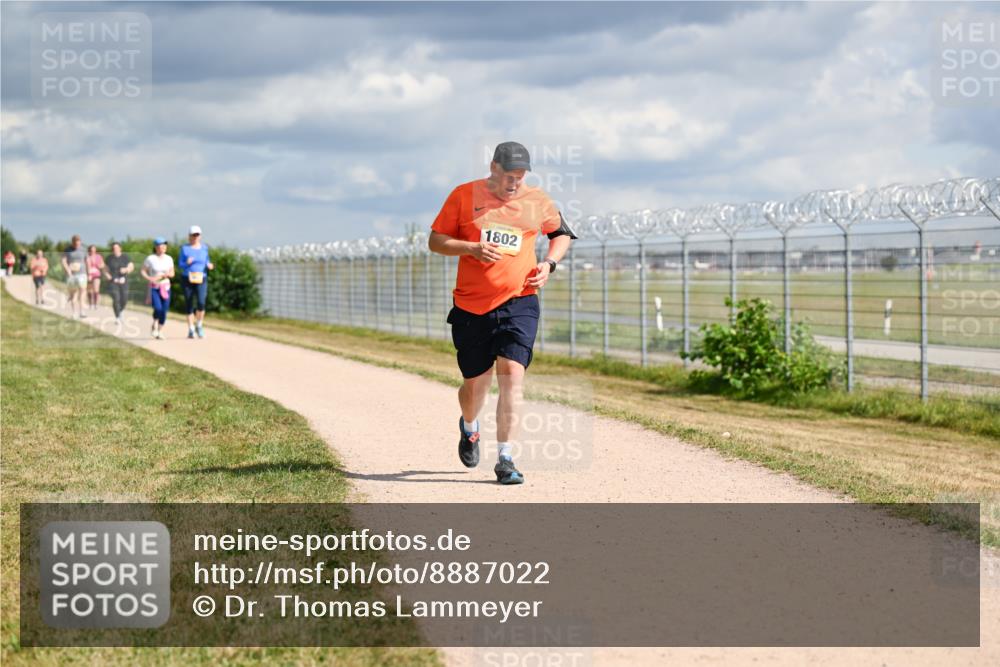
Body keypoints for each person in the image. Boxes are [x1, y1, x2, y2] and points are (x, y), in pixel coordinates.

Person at [428, 141, 576, 485]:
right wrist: (471, 248)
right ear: (493, 168)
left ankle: (506, 457)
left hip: (519, 300)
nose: (514, 183)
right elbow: (436, 241)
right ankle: (469, 426)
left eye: (520, 176)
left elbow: (561, 234)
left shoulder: (537, 199)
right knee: (475, 387)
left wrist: (549, 264)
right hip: (472, 306)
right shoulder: (464, 195)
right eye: (509, 175)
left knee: (511, 375)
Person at [178, 225, 214, 339]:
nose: (195, 237)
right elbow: (180, 264)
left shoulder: (204, 248)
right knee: (189, 303)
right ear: (189, 236)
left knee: (201, 302)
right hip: (187, 278)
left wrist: (209, 265)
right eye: (193, 235)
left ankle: (199, 325)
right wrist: (187, 263)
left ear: (200, 236)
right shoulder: (184, 248)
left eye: (197, 235)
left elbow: (207, 260)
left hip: (201, 278)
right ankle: (191, 329)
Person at [140, 237, 175, 339]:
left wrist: (167, 274)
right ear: (156, 247)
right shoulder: (150, 258)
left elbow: (172, 273)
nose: (163, 247)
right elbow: (143, 271)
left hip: (166, 287)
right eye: (161, 245)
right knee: (158, 308)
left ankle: (160, 330)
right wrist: (149, 278)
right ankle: (154, 324)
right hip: (154, 287)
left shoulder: (169, 259)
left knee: (164, 310)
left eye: (165, 245)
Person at [103, 242, 134, 321]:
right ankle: (117, 317)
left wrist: (126, 270)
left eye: (116, 248)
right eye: (113, 248)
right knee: (116, 298)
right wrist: (108, 276)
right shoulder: (109, 258)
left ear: (120, 248)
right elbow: (105, 269)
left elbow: (131, 267)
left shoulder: (125, 257)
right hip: (113, 281)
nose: (115, 250)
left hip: (124, 281)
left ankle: (120, 311)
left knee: (124, 298)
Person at [60, 235, 88, 318]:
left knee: (83, 291)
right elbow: (63, 261)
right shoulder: (67, 250)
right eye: (75, 243)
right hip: (72, 275)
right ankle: (74, 313)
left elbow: (87, 261)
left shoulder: (83, 249)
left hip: (82, 273)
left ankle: (82, 311)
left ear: (80, 242)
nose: (77, 245)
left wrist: (88, 273)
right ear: (72, 242)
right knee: (73, 294)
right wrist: (68, 270)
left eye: (78, 242)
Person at [85, 245, 105, 310]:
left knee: (96, 290)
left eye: (94, 249)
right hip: (89, 274)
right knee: (89, 291)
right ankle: (91, 304)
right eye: (91, 250)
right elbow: (87, 266)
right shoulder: (87, 257)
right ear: (89, 250)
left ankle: (96, 304)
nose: (93, 251)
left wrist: (100, 266)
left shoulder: (99, 256)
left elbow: (102, 265)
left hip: (97, 275)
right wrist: (89, 275)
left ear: (95, 250)